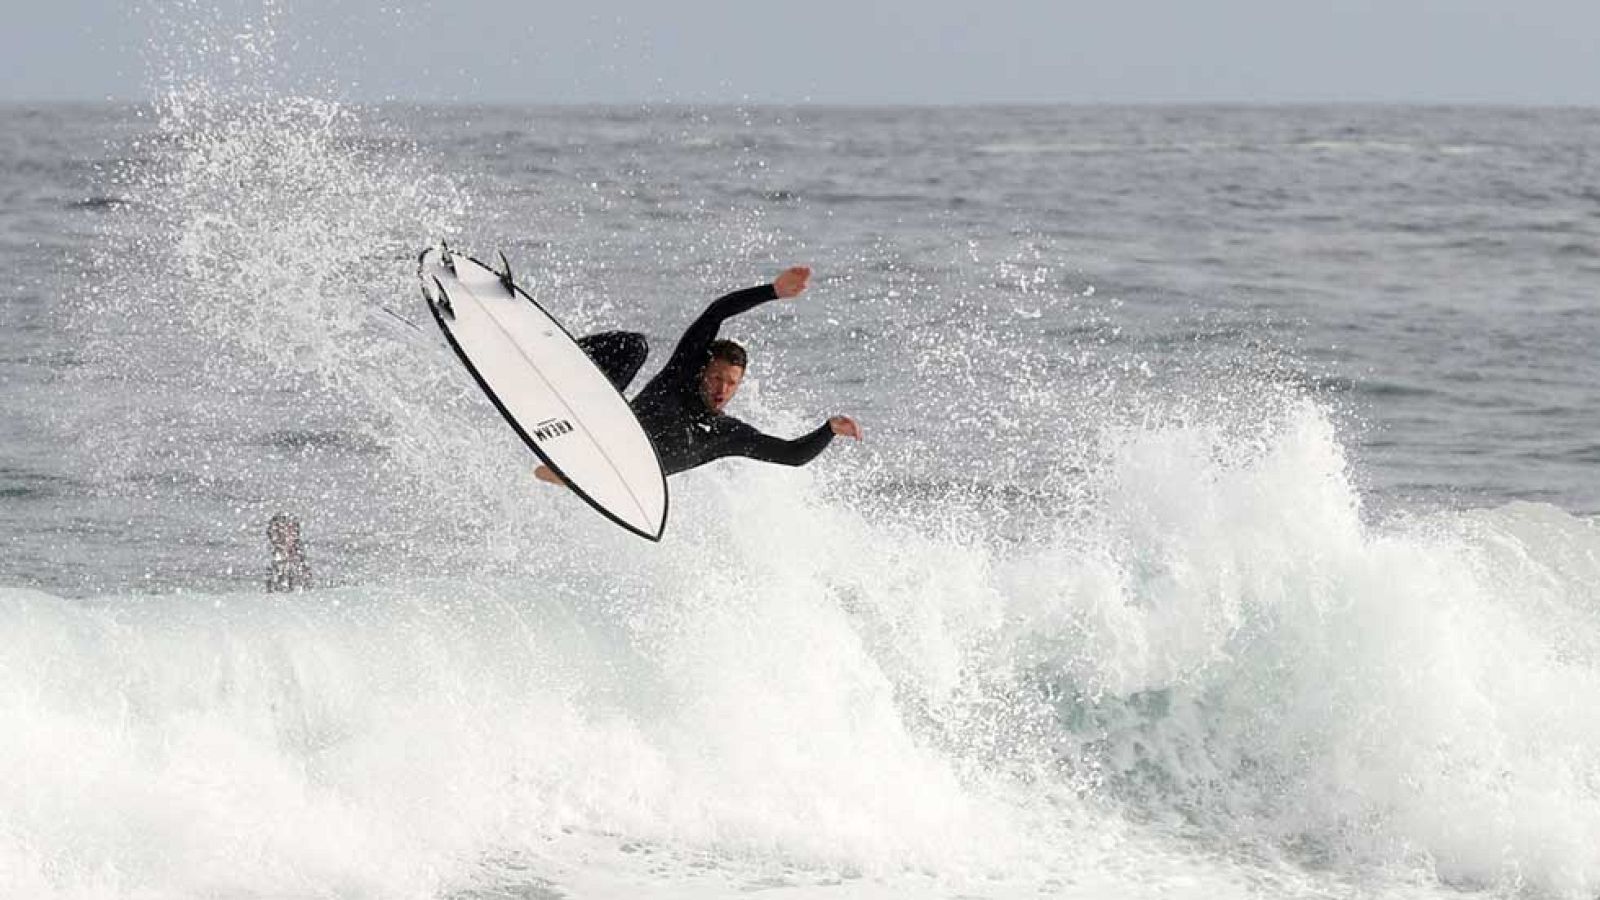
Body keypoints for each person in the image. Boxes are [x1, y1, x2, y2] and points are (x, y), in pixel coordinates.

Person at [536, 265, 861, 483]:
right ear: (702, 372)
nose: (722, 388)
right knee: (633, 345)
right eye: (717, 378)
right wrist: (773, 291)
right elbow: (716, 312)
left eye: (731, 383)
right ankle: (551, 363)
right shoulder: (679, 378)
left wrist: (829, 429)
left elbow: (792, 455)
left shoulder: (728, 434)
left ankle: (579, 471)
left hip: (626, 474)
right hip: (599, 427)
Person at [266, 513, 312, 592]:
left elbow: (306, 582)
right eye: (287, 531)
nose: (292, 534)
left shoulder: (299, 554)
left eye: (293, 530)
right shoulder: (273, 557)